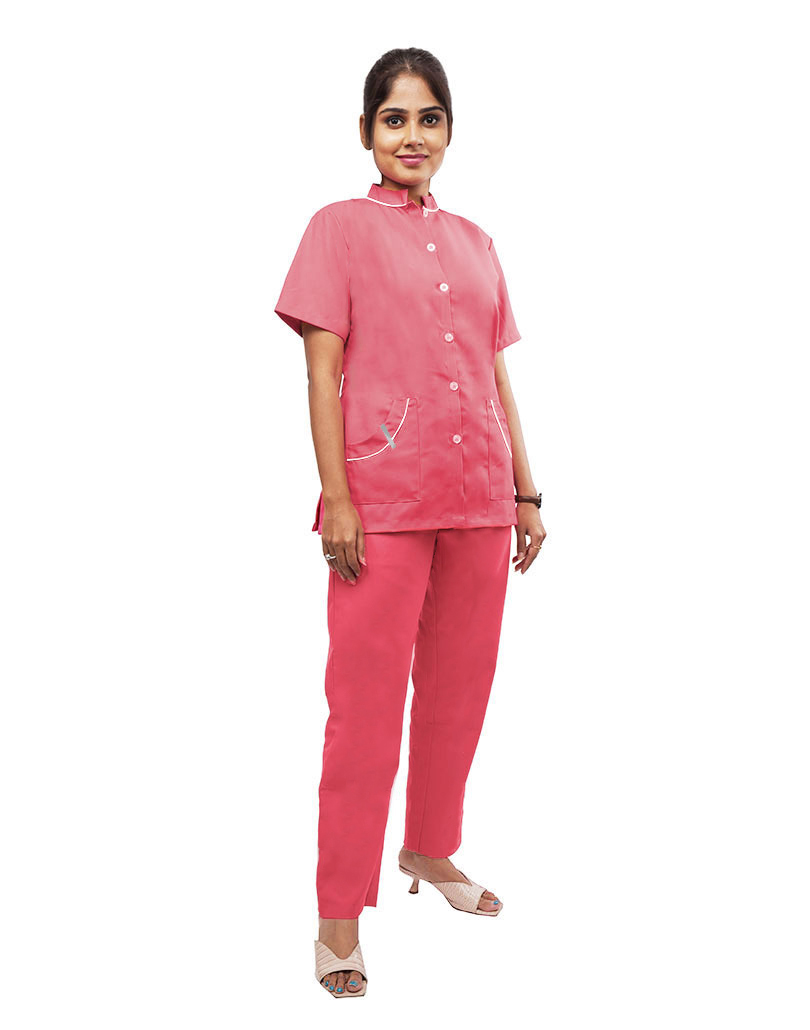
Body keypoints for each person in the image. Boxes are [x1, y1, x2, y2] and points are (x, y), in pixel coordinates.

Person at [274, 47, 546, 999]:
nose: (413, 135)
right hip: (381, 507)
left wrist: (526, 490)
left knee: (459, 695)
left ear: (449, 131)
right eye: (395, 119)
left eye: (429, 118)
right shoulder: (338, 229)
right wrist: (339, 498)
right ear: (366, 132)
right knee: (364, 713)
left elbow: (494, 370)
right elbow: (321, 373)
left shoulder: (476, 241)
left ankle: (430, 848)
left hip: (478, 501)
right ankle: (338, 915)